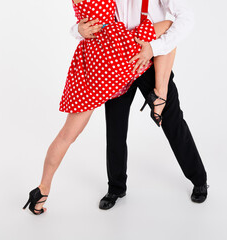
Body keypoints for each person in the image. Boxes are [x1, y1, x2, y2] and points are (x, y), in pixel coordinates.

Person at [23, 0, 176, 215]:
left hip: (90, 60)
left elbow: (82, 22)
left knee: (66, 135)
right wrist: (78, 29)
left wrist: (78, 28)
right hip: (115, 49)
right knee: (169, 25)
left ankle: (42, 189)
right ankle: (160, 95)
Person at [71, 0, 209, 210]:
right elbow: (91, 15)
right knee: (115, 128)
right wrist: (78, 29)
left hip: (151, 60)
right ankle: (116, 187)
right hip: (117, 62)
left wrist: (155, 47)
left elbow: (186, 18)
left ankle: (199, 179)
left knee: (173, 122)